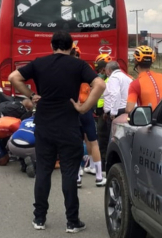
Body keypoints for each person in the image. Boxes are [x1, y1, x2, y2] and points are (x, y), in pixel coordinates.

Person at [8, 30, 106, 233]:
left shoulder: (39, 63)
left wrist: (32, 94)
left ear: (52, 46)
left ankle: (39, 218)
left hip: (44, 126)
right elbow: (100, 84)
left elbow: (13, 77)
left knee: (43, 171)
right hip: (69, 126)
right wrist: (84, 107)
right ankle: (72, 221)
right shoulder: (78, 65)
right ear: (71, 47)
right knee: (69, 173)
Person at [71, 45, 107, 187]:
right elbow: (95, 87)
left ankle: (77, 176)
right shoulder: (84, 68)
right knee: (93, 142)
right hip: (85, 109)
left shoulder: (64, 69)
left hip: (73, 109)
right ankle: (98, 177)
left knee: (76, 143)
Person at [126, 46, 162, 113]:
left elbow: (129, 109)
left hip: (148, 120)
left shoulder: (135, 84)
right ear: (152, 62)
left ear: (136, 61)